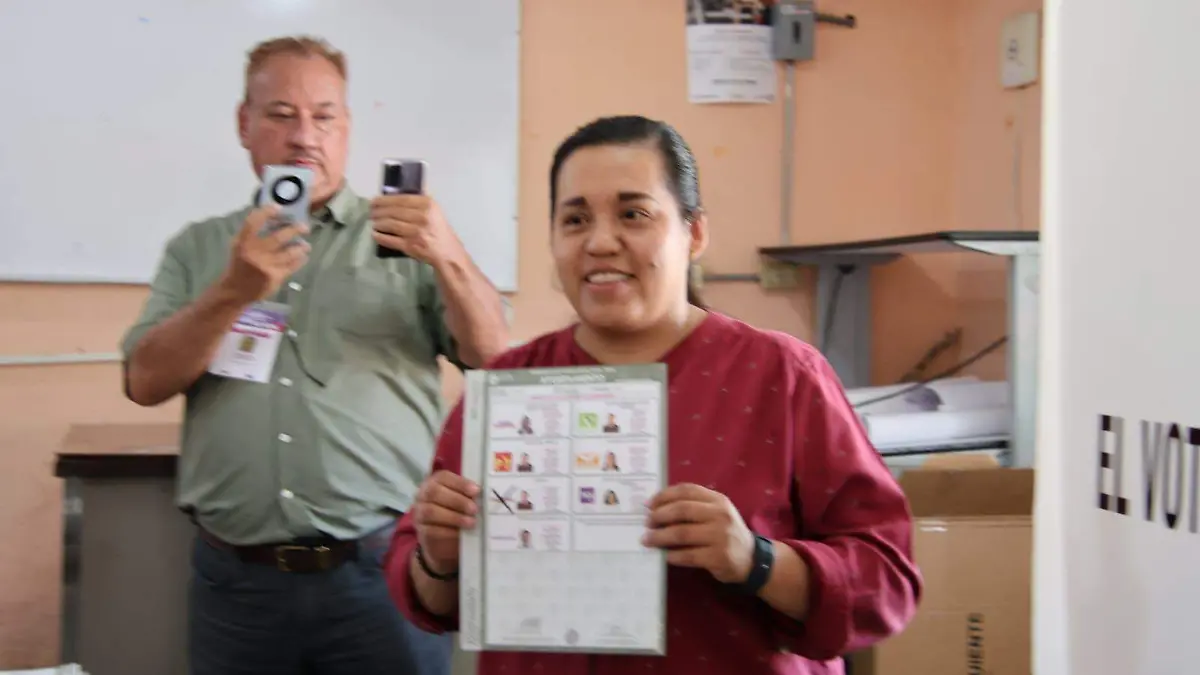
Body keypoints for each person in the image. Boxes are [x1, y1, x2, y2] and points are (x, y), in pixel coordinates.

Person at [383, 115, 922, 673]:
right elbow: (425, 593)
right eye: (575, 220)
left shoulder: (783, 375)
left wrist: (755, 559)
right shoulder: (508, 386)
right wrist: (438, 557)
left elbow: (886, 583)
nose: (600, 242)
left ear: (695, 234)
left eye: (633, 214)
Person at [119, 35, 509, 675]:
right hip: (237, 586)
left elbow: (495, 359)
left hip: (382, 574)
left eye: (323, 117)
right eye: (281, 115)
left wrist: (450, 256)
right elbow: (144, 381)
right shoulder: (199, 248)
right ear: (244, 125)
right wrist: (232, 290)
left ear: (346, 129)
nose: (304, 136)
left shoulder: (406, 238)